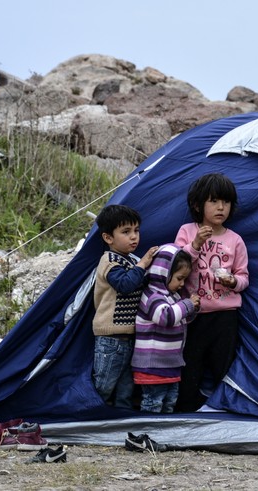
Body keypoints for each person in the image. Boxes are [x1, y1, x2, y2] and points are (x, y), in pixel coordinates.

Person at [174, 173, 249, 412]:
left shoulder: (235, 240)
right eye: (214, 201)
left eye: (226, 202)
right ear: (198, 205)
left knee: (223, 363)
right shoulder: (187, 231)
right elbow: (175, 265)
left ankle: (224, 406)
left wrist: (233, 281)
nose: (220, 207)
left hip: (225, 315)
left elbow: (244, 277)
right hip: (193, 313)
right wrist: (195, 244)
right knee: (190, 361)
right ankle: (186, 405)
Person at [92, 204, 159, 409]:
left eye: (136, 231)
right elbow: (126, 285)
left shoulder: (130, 260)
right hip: (110, 340)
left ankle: (118, 423)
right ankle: (91, 418)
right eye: (126, 232)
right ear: (108, 238)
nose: (133, 237)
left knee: (126, 389)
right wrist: (144, 263)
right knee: (104, 385)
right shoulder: (109, 261)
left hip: (129, 337)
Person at [132, 244, 200, 413]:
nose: (182, 283)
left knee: (170, 401)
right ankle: (146, 434)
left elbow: (180, 318)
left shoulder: (173, 296)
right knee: (154, 402)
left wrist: (192, 308)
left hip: (169, 364)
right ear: (164, 273)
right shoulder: (152, 296)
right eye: (179, 278)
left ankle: (161, 435)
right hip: (152, 365)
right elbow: (166, 317)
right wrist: (187, 304)